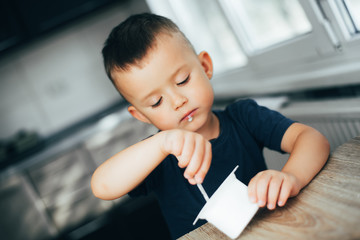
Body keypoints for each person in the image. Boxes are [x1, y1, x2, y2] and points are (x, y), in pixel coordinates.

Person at [91, 13, 330, 239]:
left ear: (205, 66)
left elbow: (312, 139)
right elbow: (101, 186)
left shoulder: (244, 117)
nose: (178, 101)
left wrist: (291, 177)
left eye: (182, 80)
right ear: (141, 115)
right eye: (156, 102)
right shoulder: (156, 155)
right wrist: (163, 143)